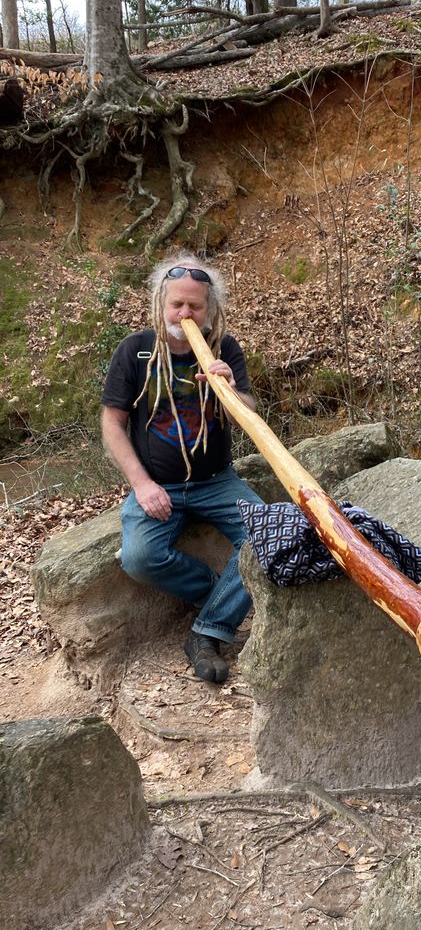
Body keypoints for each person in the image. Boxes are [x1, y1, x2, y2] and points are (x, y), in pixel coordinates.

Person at [101, 251, 262, 683]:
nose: (185, 313)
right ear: (161, 303)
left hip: (216, 481)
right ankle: (215, 593)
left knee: (266, 535)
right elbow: (112, 424)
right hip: (159, 484)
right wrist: (141, 484)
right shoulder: (134, 350)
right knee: (140, 557)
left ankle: (206, 633)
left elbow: (247, 414)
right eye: (177, 304)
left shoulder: (223, 348)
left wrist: (230, 389)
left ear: (210, 309)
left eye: (195, 305)